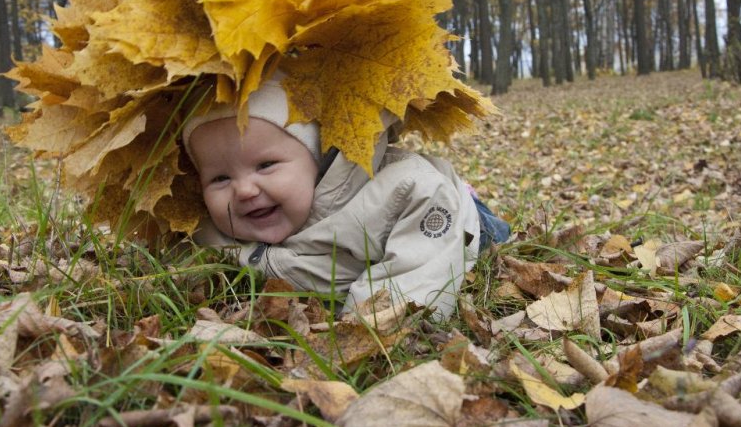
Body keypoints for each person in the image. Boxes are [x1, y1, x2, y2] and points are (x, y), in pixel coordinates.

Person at [183, 72, 510, 319]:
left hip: (454, 221)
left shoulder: (404, 191)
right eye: (220, 178)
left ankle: (479, 207)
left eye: (265, 165)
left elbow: (416, 276)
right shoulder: (208, 229)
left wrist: (366, 326)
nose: (244, 190)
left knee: (491, 242)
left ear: (318, 157)